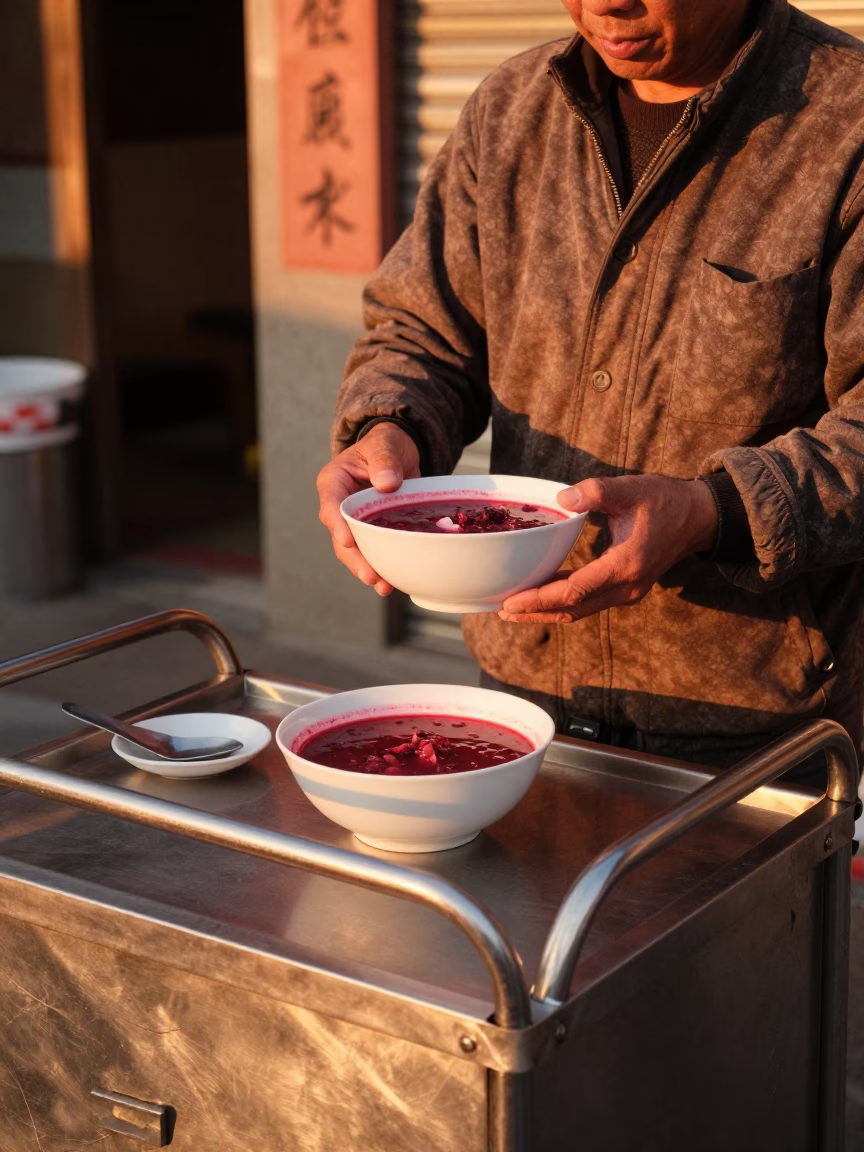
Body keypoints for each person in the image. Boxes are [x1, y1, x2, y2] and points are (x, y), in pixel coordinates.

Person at [317, 0, 864, 782]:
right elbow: (422, 330)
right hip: (523, 695)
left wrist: (713, 511)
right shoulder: (511, 112)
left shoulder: (847, 123)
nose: (605, 3)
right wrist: (388, 428)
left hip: (755, 729)